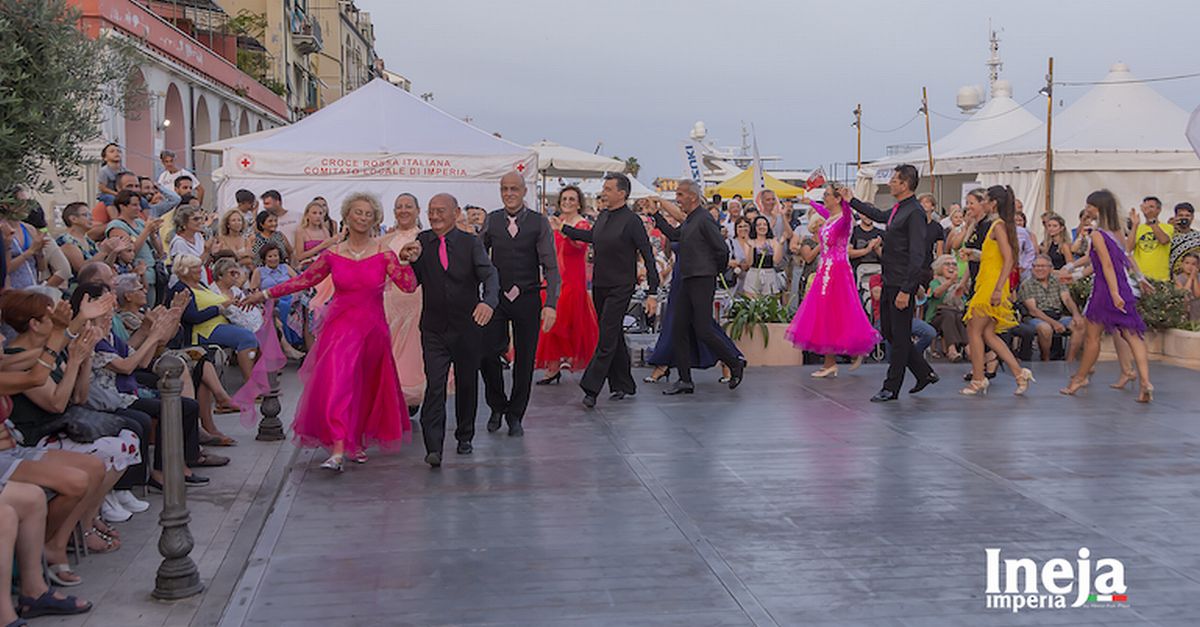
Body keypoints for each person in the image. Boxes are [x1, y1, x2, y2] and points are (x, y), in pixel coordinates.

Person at [240, 193, 422, 470]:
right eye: (357, 212)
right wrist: (264, 293)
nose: (362, 218)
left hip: (373, 332)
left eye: (368, 214)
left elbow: (408, 286)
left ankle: (355, 441)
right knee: (339, 382)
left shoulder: (384, 255)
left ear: (375, 219)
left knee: (364, 387)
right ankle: (338, 449)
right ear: (347, 216)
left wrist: (408, 263)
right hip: (339, 329)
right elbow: (303, 280)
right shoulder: (333, 255)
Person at [552, 173, 658, 409]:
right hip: (601, 284)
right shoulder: (604, 216)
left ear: (622, 193)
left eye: (608, 189)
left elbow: (648, 256)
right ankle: (624, 384)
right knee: (613, 335)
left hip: (621, 286)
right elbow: (593, 237)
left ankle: (591, 388)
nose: (604, 192)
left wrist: (653, 291)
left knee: (607, 336)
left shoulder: (632, 222)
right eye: (604, 188)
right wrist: (567, 230)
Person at [406, 193, 498, 467]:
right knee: (435, 385)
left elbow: (490, 274)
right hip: (433, 328)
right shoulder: (422, 241)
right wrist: (409, 260)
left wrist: (488, 302)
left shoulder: (470, 243)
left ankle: (464, 435)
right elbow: (415, 279)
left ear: (456, 212)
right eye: (431, 211)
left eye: (441, 211)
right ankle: (433, 447)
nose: (434, 216)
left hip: (467, 327)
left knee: (467, 383)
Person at [841, 164, 936, 402]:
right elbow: (880, 216)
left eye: (894, 180)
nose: (890, 183)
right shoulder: (899, 208)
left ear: (904, 184)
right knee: (889, 331)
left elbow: (917, 255)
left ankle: (891, 387)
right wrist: (853, 201)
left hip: (902, 283)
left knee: (901, 336)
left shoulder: (914, 212)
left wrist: (907, 289)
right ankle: (924, 373)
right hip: (889, 279)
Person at [480, 172, 560, 437]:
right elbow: (479, 259)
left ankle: (516, 415)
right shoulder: (491, 221)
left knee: (525, 360)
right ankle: (496, 405)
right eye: (504, 189)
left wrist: (550, 303)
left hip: (527, 298)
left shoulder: (538, 223)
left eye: (514, 188)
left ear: (524, 191)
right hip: (498, 298)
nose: (509, 193)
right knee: (488, 353)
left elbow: (550, 266)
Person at [645, 181, 746, 394]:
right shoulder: (692, 219)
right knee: (679, 328)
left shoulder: (703, 219)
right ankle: (684, 380)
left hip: (701, 279)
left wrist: (712, 271)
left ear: (692, 196)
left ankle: (734, 362)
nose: (678, 199)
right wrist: (656, 216)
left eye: (680, 195)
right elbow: (674, 236)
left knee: (703, 328)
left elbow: (721, 249)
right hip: (687, 278)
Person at [1061, 190, 1153, 402]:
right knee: (1133, 336)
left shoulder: (1097, 234)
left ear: (1097, 207)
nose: (1087, 209)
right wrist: (1140, 278)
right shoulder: (1117, 231)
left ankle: (1078, 379)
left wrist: (1112, 292)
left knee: (1092, 338)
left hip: (1105, 290)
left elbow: (1107, 265)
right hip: (1123, 288)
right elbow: (1124, 258)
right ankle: (1145, 382)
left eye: (1089, 205)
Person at [786, 187, 881, 377]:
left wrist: (847, 200)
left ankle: (853, 350)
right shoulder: (830, 218)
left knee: (840, 311)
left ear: (837, 199)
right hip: (825, 270)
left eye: (826, 196)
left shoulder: (845, 220)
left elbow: (845, 213)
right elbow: (823, 211)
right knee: (825, 313)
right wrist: (810, 203)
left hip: (837, 270)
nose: (824, 199)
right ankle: (830, 362)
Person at [961, 185, 1034, 395]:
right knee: (988, 334)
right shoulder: (996, 226)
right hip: (987, 282)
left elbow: (1010, 258)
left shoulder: (998, 226)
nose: (982, 203)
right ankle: (1019, 373)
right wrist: (974, 255)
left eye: (984, 199)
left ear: (993, 203)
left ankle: (978, 378)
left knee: (973, 330)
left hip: (992, 285)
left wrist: (998, 288)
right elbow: (995, 257)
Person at [535, 185, 598, 386]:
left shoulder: (582, 224)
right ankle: (552, 368)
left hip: (572, 278)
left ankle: (565, 362)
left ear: (579, 202)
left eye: (572, 199)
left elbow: (580, 245)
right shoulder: (556, 221)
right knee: (549, 321)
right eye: (564, 199)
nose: (568, 203)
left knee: (567, 321)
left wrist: (561, 230)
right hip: (554, 278)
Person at [383, 193, 434, 414]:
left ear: (417, 210)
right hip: (390, 303)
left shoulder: (425, 239)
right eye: (399, 206)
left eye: (408, 206)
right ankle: (393, 393)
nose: (403, 210)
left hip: (418, 302)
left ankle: (412, 395)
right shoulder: (384, 241)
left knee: (414, 349)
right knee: (391, 350)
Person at [1016, 254, 1085, 362]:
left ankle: (1070, 359)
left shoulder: (1057, 280)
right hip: (1036, 317)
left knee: (1079, 324)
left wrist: (1076, 314)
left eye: (1043, 266)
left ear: (1051, 268)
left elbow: (1067, 299)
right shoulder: (1027, 284)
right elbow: (1033, 311)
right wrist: (1054, 323)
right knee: (1045, 328)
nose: (1039, 269)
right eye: (1036, 266)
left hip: (1057, 314)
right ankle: (1046, 358)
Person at [1126, 196, 1173, 282]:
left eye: (1151, 207)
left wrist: (1152, 220)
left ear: (1159, 210)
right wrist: (1135, 225)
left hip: (1160, 277)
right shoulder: (1138, 228)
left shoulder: (1168, 227)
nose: (1148, 210)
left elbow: (1164, 240)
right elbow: (1128, 249)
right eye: (1146, 207)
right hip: (1140, 277)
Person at [1169, 202, 1199, 276]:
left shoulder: (1198, 236)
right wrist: (1169, 227)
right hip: (1173, 280)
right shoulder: (1168, 235)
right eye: (1180, 215)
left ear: (1192, 217)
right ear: (1175, 217)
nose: (1184, 218)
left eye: (1187, 215)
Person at [1175, 253, 1200, 321]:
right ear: (1182, 264)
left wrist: (1195, 278)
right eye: (1187, 263)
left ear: (1198, 266)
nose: (1190, 266)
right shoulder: (1178, 279)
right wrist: (1190, 278)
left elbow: (1197, 294)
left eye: (1193, 264)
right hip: (1185, 309)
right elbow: (1184, 293)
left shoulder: (1198, 277)